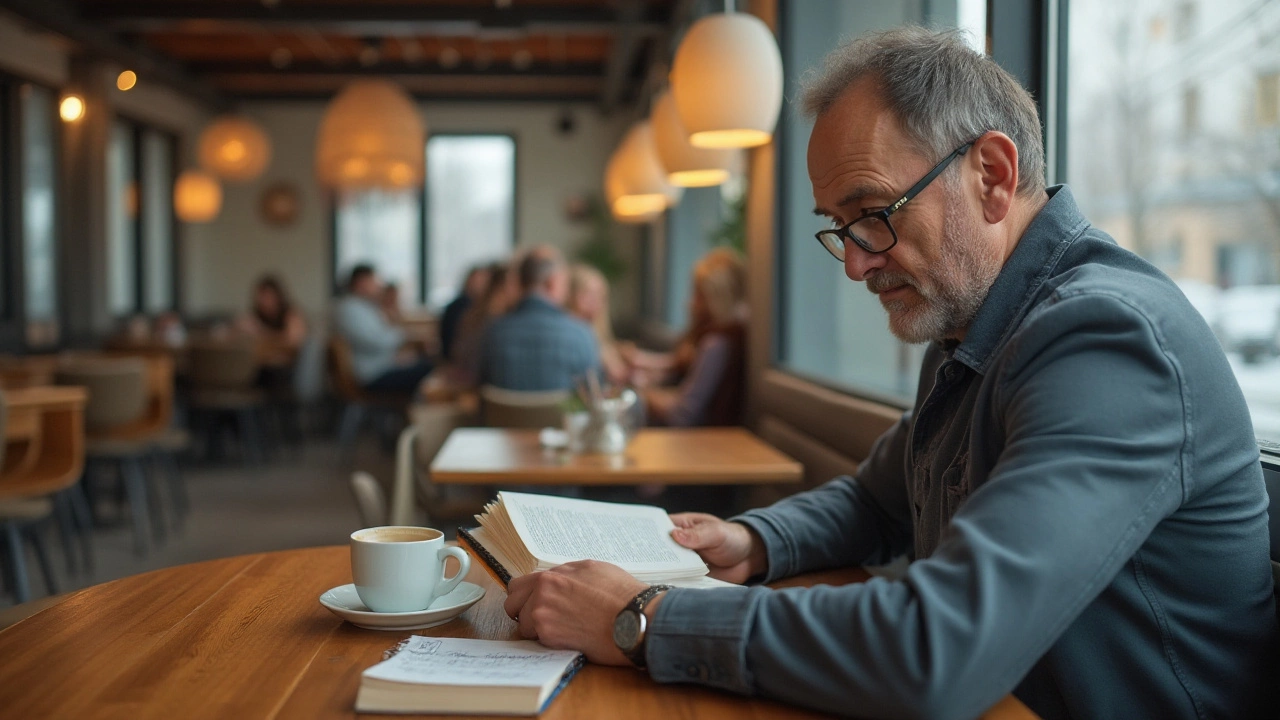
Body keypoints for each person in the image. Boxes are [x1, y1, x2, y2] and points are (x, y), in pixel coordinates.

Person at [501, 28, 1278, 719]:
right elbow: (880, 497)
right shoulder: (978, 321)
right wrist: (752, 539)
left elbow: (940, 649)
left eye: (874, 211)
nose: (857, 263)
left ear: (993, 177)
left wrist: (643, 617)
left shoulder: (1107, 340)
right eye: (839, 228)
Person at [639, 249, 747, 427]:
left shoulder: (716, 344)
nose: (691, 302)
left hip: (699, 442)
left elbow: (681, 415)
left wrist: (641, 396)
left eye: (699, 295)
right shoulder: (717, 337)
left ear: (717, 299)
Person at [478, 246, 599, 392]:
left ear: (519, 283)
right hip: (560, 415)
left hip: (503, 415)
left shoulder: (492, 333)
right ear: (553, 282)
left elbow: (482, 388)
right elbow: (593, 394)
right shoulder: (581, 334)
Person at [333, 264, 432, 394]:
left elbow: (380, 338)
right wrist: (403, 338)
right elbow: (375, 342)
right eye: (374, 281)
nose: (379, 286)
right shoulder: (349, 308)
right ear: (361, 282)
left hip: (379, 368)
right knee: (431, 369)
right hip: (372, 375)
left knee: (425, 363)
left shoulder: (363, 307)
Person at [567, 264, 628, 385]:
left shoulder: (596, 330)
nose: (595, 301)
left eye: (600, 295)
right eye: (588, 293)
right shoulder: (573, 332)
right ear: (570, 294)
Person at [241, 274, 308, 364]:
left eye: (268, 296)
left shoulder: (291, 315)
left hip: (288, 368)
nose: (265, 301)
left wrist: (262, 334)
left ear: (278, 297)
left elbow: (294, 341)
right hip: (260, 366)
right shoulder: (254, 317)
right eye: (261, 297)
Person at [440, 265, 491, 363]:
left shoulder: (482, 307)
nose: (482, 284)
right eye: (479, 280)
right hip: (455, 361)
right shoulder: (460, 306)